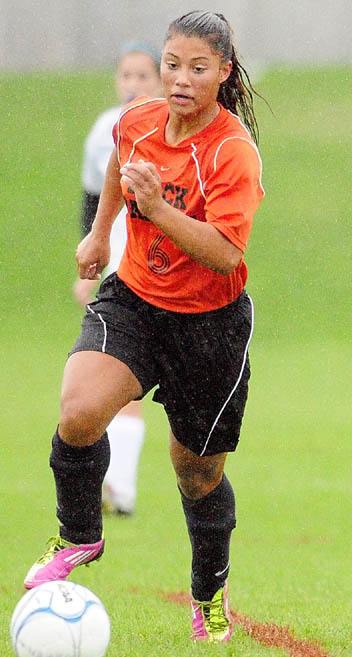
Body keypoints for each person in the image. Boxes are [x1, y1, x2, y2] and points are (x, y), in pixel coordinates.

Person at [24, 11, 265, 644]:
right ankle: (79, 536)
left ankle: (209, 593)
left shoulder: (232, 150)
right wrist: (100, 233)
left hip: (210, 326)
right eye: (173, 64)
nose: (181, 79)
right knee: (78, 413)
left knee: (197, 473)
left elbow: (226, 253)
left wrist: (157, 207)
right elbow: (119, 168)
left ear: (224, 74)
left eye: (198, 68)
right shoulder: (138, 119)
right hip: (134, 298)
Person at [73, 41, 162, 516]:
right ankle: (119, 490)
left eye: (143, 75)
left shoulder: (176, 131)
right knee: (111, 378)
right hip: (118, 273)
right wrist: (91, 258)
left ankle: (119, 489)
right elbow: (94, 200)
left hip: (163, 270)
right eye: (125, 75)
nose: (133, 84)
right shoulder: (103, 133)